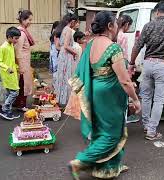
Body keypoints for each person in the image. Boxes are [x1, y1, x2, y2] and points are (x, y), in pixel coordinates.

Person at [67, 11, 140, 179]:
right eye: (115, 23)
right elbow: (125, 81)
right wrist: (135, 100)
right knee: (111, 134)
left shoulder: (91, 44)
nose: (116, 27)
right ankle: (79, 162)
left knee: (102, 130)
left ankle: (110, 167)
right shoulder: (113, 47)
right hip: (110, 95)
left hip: (96, 91)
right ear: (109, 26)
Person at [129, 1, 164, 140]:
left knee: (146, 97)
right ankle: (151, 131)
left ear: (156, 11)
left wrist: (131, 63)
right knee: (159, 100)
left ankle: (146, 125)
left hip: (148, 64)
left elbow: (137, 46)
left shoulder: (148, 26)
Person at [54, 13, 79, 106]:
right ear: (72, 21)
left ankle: (61, 99)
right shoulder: (68, 30)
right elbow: (66, 46)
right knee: (67, 77)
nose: (76, 24)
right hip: (66, 56)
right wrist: (75, 52)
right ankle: (66, 101)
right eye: (76, 22)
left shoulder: (64, 28)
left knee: (62, 77)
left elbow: (62, 46)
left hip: (62, 55)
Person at [0, 27, 21, 120]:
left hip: (13, 73)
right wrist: (7, 68)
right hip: (7, 74)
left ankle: (8, 112)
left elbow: (11, 60)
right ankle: (4, 108)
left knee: (9, 93)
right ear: (9, 37)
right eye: (16, 38)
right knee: (15, 92)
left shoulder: (11, 45)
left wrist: (17, 68)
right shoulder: (3, 47)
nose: (17, 40)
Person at [14, 10, 35, 111]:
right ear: (22, 20)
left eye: (31, 20)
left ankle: (18, 102)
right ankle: (21, 104)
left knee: (23, 83)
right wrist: (20, 65)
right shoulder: (21, 33)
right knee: (23, 83)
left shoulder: (23, 31)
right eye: (28, 20)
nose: (30, 22)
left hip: (25, 61)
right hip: (23, 62)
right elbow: (18, 50)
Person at [64, 31, 86, 120]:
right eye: (82, 39)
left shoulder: (72, 46)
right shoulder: (78, 48)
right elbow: (80, 60)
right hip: (77, 68)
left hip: (71, 67)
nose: (84, 40)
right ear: (78, 39)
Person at [49, 21, 59, 89]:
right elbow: (57, 47)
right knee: (56, 70)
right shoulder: (56, 33)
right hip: (55, 54)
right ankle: (56, 86)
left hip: (53, 53)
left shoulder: (53, 32)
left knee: (55, 71)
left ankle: (55, 85)